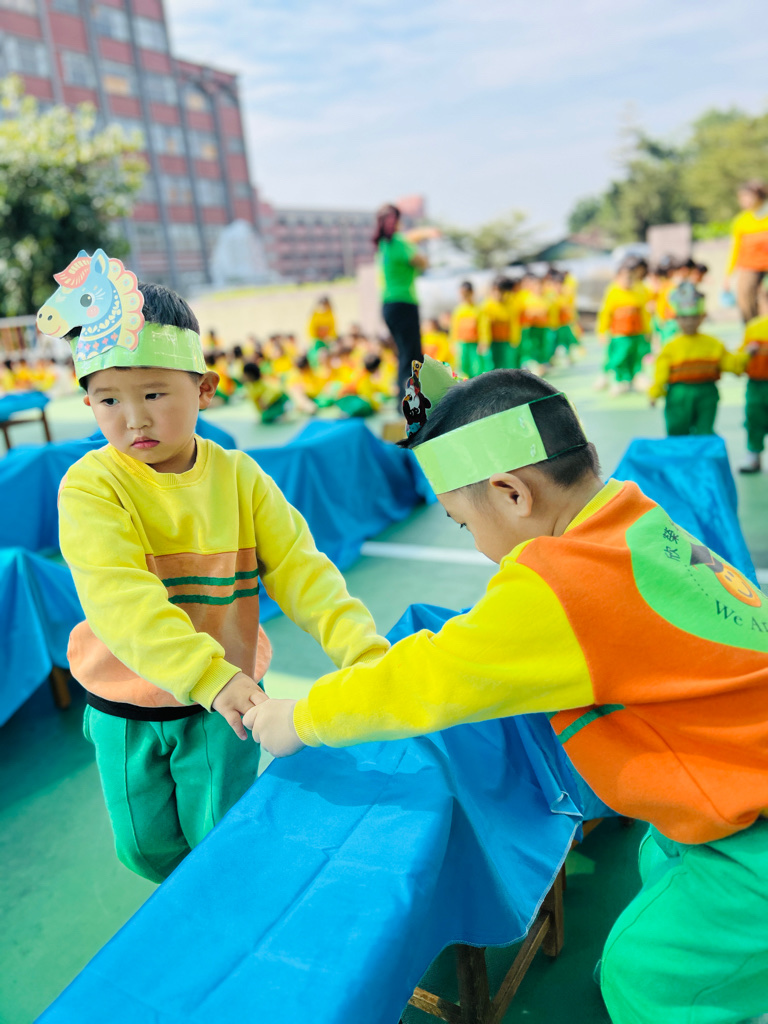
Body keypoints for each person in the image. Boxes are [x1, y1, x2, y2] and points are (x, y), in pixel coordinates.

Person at [244, 358, 768, 1024]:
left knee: (643, 981)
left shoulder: (562, 585)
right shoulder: (633, 518)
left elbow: (427, 679)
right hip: (727, 796)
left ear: (512, 493)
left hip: (752, 836)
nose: (475, 546)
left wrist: (300, 717)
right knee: (660, 870)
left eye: (465, 524)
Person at [47, 252, 388, 884]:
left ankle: (218, 908)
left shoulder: (239, 477)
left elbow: (303, 572)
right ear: (88, 400)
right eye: (108, 399)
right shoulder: (91, 486)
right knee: (143, 848)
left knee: (221, 837)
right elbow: (121, 600)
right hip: (125, 703)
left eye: (154, 393)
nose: (134, 418)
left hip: (223, 706)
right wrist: (207, 675)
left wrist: (363, 651)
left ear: (204, 389)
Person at [648, 282, 744, 436]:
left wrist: (745, 357)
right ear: (676, 319)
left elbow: (731, 364)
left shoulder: (713, 344)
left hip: (707, 393)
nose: (689, 322)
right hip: (679, 395)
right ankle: (680, 452)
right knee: (677, 430)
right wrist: (655, 392)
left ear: (702, 317)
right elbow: (661, 374)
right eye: (684, 318)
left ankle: (703, 452)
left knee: (704, 431)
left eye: (694, 317)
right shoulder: (671, 347)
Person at [373, 203, 430, 399]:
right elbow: (422, 262)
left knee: (404, 354)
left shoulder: (383, 245)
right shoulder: (399, 242)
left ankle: (405, 400)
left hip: (389, 305)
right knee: (412, 356)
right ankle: (410, 403)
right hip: (404, 303)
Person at [596, 258, 651, 394]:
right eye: (625, 278)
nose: (628, 281)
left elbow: (644, 313)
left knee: (636, 357)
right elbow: (605, 313)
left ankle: (635, 378)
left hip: (636, 332)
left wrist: (647, 330)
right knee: (619, 357)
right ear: (617, 278)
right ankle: (619, 380)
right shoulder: (613, 292)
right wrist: (602, 331)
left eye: (631, 278)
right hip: (620, 334)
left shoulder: (639, 291)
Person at [724, 180, 768, 323]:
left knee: (764, 299)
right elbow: (735, 249)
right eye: (741, 197)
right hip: (750, 267)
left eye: (747, 196)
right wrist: (728, 275)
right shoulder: (741, 221)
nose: (744, 201)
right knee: (745, 296)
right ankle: (751, 330)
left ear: (759, 196)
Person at [737, 312, 768, 473]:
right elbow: (741, 355)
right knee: (754, 418)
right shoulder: (754, 327)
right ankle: (753, 454)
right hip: (757, 384)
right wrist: (746, 353)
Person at [478, 277, 517, 370]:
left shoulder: (510, 305)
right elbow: (483, 326)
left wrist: (514, 338)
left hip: (505, 341)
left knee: (506, 363)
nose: (498, 294)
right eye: (495, 291)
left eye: (501, 291)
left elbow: (514, 324)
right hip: (492, 342)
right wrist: (484, 341)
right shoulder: (487, 306)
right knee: (491, 364)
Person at [450, 280, 483, 378]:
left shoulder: (478, 309)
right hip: (462, 343)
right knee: (462, 363)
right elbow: (454, 328)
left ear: (472, 293)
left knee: (476, 364)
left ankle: (475, 381)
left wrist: (483, 341)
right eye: (462, 294)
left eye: (466, 293)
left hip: (474, 343)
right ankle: (464, 382)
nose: (464, 296)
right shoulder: (458, 310)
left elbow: (483, 327)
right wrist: (452, 343)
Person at [307, 297, 337, 365]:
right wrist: (314, 337)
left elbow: (333, 326)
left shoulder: (330, 314)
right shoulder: (315, 314)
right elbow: (311, 327)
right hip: (317, 339)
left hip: (327, 339)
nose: (324, 307)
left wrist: (330, 336)